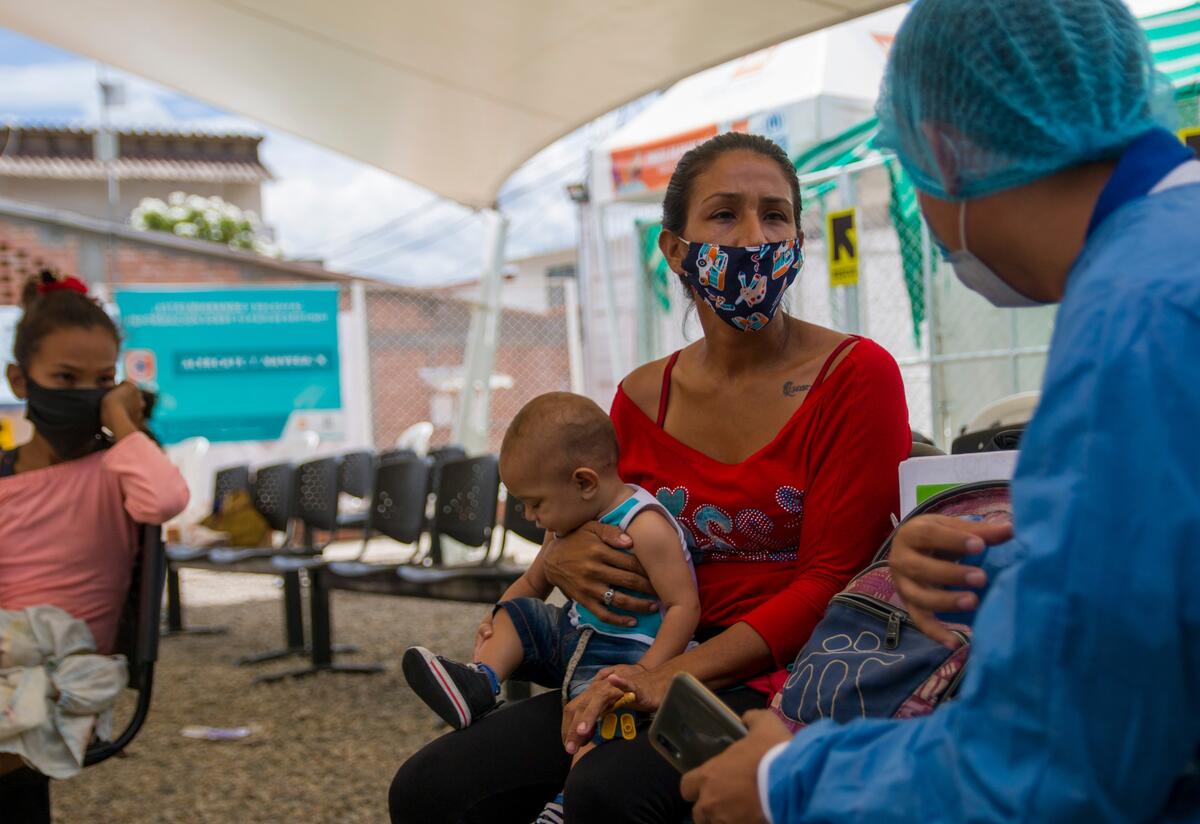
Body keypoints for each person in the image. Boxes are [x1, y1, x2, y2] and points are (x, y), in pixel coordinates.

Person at [680, 2, 1200, 821]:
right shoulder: (1169, 255)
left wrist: (789, 783)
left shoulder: (1137, 320)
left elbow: (1061, 766)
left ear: (946, 152)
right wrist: (1005, 575)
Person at [389, 132, 911, 823]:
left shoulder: (857, 376)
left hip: (785, 678)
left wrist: (670, 675)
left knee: (608, 793)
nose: (754, 237)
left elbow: (829, 581)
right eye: (725, 214)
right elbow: (601, 517)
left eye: (776, 215)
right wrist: (564, 556)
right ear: (674, 250)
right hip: (642, 655)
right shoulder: (641, 399)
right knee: (432, 789)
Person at [402, 392, 699, 823]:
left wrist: (647, 673)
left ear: (584, 483)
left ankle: (563, 806)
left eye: (534, 503)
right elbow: (533, 583)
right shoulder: (565, 522)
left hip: (627, 655)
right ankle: (480, 683)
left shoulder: (646, 526)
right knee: (520, 613)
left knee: (595, 725)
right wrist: (496, 618)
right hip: (577, 637)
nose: (529, 514)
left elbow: (684, 606)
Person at [0, 271, 190, 820]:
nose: (85, 393)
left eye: (101, 379)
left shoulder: (119, 467)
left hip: (66, 670)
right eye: (64, 378)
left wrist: (120, 422)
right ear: (20, 380)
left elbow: (166, 498)